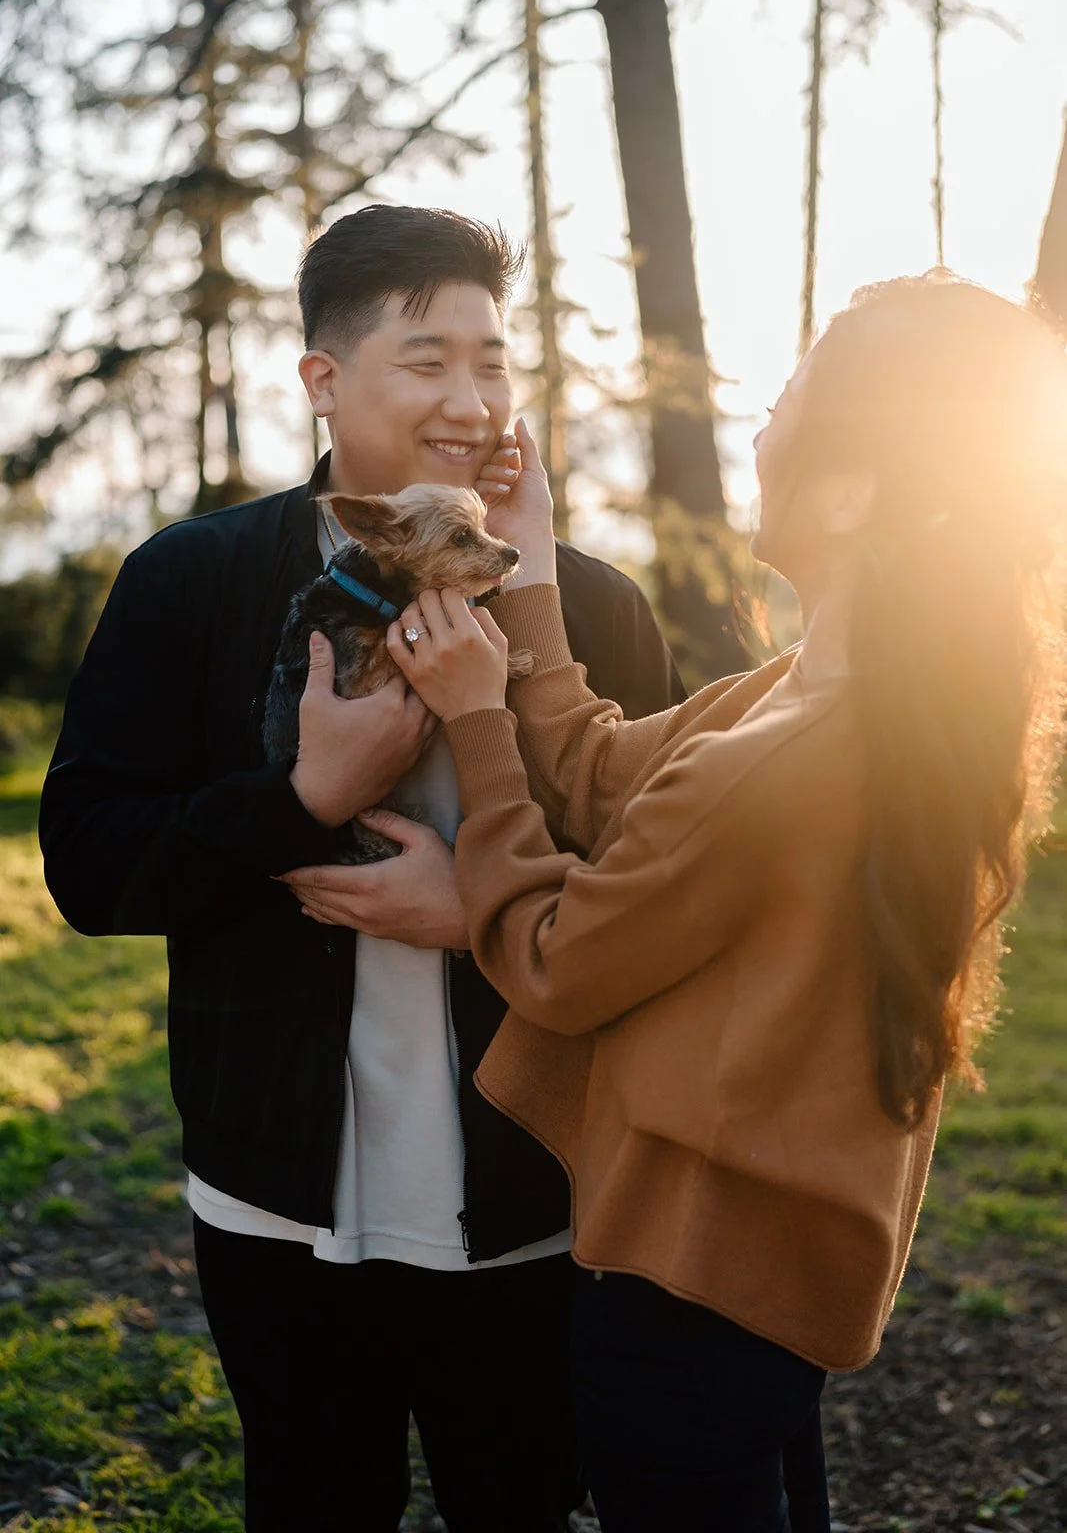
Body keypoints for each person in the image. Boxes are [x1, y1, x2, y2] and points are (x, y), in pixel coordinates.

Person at [373, 274, 1067, 1533]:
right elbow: (597, 775)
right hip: (768, 1293)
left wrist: (472, 729)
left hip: (683, 1303)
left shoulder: (789, 754)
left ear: (851, 488)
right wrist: (527, 570)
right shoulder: (835, 699)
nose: (758, 427)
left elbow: (551, 962)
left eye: (789, 399)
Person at [38, 205, 684, 1533]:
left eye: (493, 360)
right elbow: (90, 870)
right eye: (426, 357)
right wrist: (299, 800)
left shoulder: (595, 607)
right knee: (310, 1500)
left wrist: (480, 919)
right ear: (323, 382)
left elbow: (668, 899)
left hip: (530, 1207)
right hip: (273, 1206)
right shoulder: (191, 584)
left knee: (519, 1506)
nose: (473, 397)